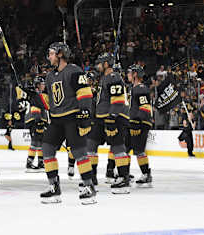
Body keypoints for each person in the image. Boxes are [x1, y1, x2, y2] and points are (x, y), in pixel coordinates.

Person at [18, 42, 96, 204]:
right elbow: (47, 102)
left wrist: (85, 113)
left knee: (79, 152)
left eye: (52, 53)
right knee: (46, 148)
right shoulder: (50, 76)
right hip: (56, 119)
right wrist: (30, 96)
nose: (50, 56)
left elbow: (85, 93)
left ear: (60, 54)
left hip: (72, 118)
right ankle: (54, 187)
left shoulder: (74, 71)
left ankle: (89, 187)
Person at [92, 52, 131, 194]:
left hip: (113, 118)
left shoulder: (114, 77)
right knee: (91, 144)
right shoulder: (105, 78)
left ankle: (123, 178)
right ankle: (91, 177)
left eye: (100, 63)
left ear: (106, 64)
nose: (97, 66)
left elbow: (118, 99)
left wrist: (112, 118)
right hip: (101, 118)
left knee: (118, 147)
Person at [127, 64, 153, 187]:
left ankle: (146, 174)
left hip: (140, 124)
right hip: (133, 123)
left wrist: (137, 123)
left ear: (135, 74)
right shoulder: (134, 88)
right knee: (126, 148)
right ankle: (124, 173)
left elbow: (145, 108)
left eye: (130, 73)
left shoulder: (141, 88)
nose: (128, 75)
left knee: (138, 150)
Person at [25, 76, 47, 173]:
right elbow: (34, 108)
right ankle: (29, 163)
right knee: (35, 142)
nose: (44, 86)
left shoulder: (39, 94)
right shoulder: (35, 95)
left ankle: (41, 162)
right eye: (42, 84)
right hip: (35, 121)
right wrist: (38, 121)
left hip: (39, 120)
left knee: (41, 142)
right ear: (38, 85)